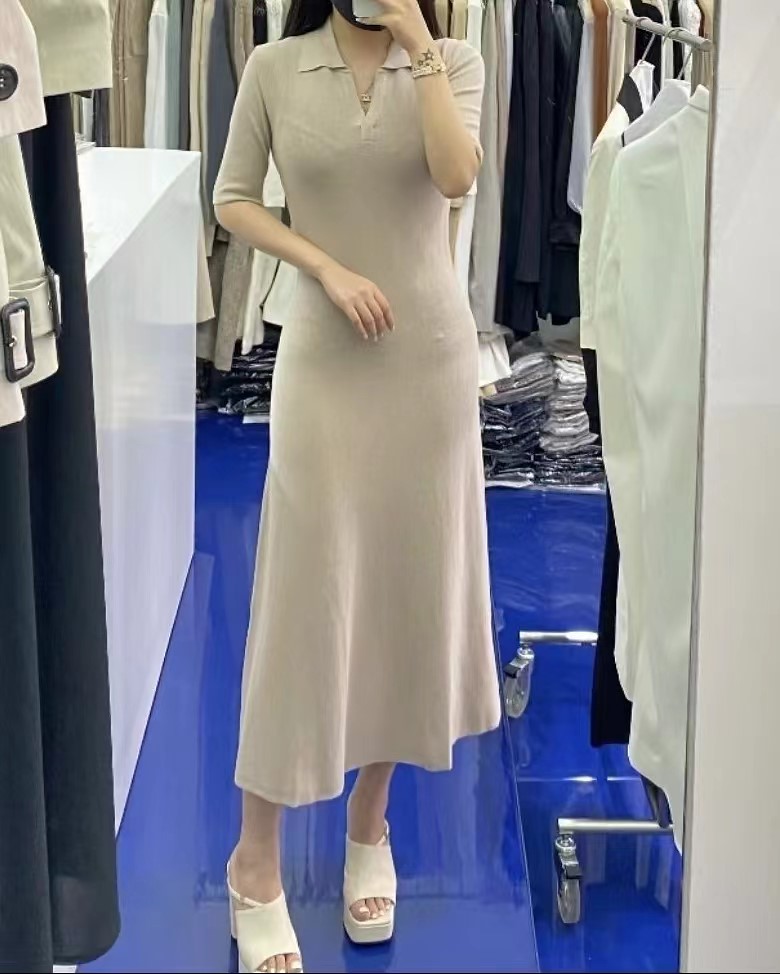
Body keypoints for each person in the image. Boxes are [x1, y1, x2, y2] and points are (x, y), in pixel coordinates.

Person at [214, 1, 501, 970]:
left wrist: (421, 47)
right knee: (300, 606)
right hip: (324, 367)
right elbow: (233, 198)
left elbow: (457, 177)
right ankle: (255, 859)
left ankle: (370, 823)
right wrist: (323, 265)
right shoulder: (274, 66)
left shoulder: (454, 61)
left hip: (427, 367)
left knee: (405, 596)